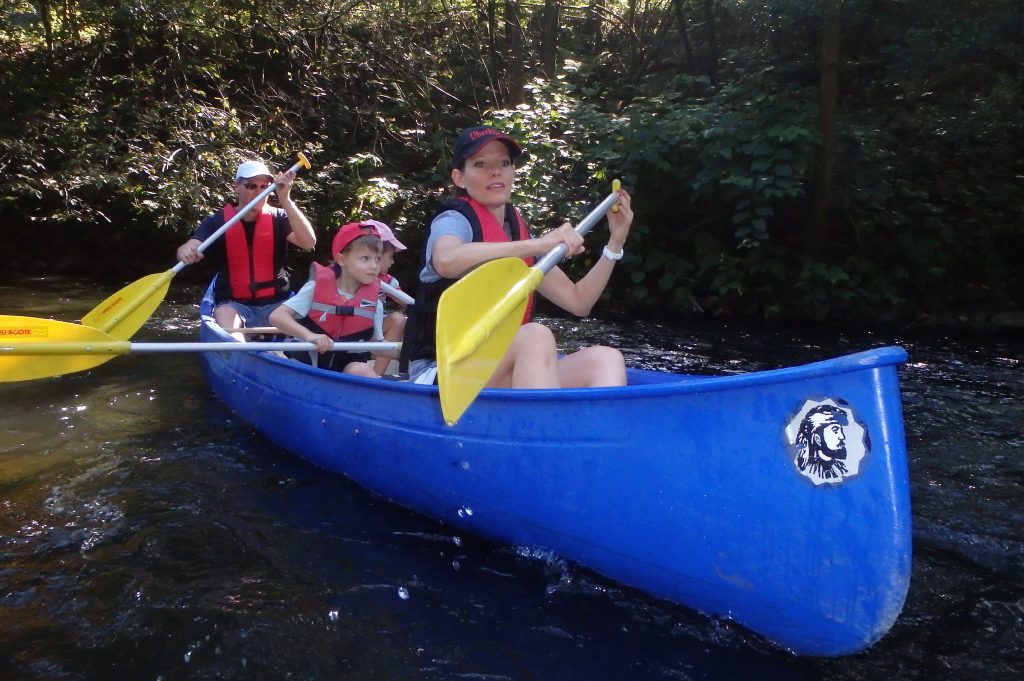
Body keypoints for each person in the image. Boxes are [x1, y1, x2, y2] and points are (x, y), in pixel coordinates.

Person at [402, 125, 634, 388]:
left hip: (494, 368)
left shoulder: (518, 233)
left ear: (513, 172)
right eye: (480, 164)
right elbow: (445, 260)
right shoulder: (454, 220)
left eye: (504, 162)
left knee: (605, 359)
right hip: (439, 372)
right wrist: (534, 246)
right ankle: (542, 426)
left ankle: (589, 429)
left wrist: (615, 242)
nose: (495, 171)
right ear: (460, 178)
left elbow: (578, 301)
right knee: (535, 336)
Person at [176, 159, 316, 339]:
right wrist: (187, 250)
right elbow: (192, 244)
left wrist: (286, 199)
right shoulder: (218, 221)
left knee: (308, 324)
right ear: (237, 186)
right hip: (235, 305)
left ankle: (287, 355)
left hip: (278, 305)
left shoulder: (279, 218)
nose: (259, 192)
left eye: (264, 187)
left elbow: (308, 242)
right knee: (225, 314)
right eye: (251, 186)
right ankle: (240, 351)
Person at [269, 222, 384, 378]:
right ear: (341, 260)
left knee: (360, 370)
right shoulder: (315, 288)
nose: (374, 266)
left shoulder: (375, 303)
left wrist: (406, 351)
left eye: (377, 259)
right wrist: (310, 336)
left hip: (347, 367)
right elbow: (277, 317)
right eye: (365, 259)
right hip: (309, 365)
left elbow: (375, 346)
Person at [358, 219, 409, 375]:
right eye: (391, 256)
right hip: (349, 332)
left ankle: (377, 374)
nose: (393, 261)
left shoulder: (388, 282)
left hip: (372, 335)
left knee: (398, 319)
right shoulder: (347, 278)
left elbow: (410, 304)